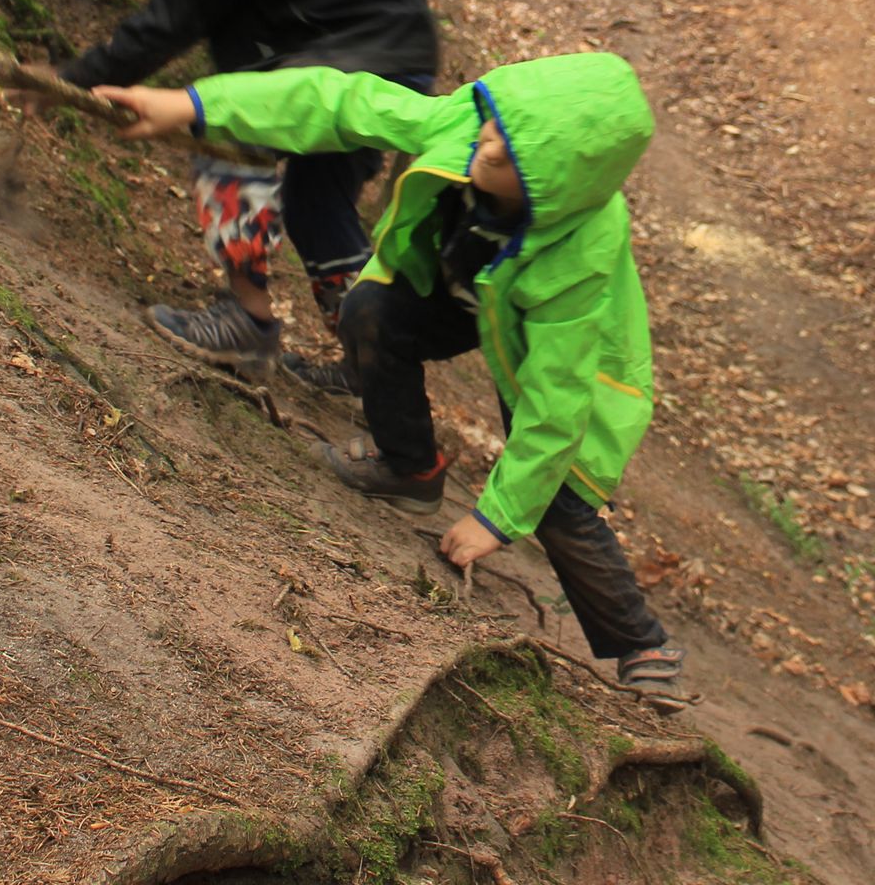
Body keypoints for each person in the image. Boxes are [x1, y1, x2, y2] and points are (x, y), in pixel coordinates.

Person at [95, 54, 688, 707]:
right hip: (468, 288)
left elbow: (556, 406)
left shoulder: (581, 255)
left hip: (553, 345)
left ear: (557, 178)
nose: (486, 138)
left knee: (558, 493)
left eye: (508, 144)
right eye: (492, 123)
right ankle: (410, 467)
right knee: (371, 311)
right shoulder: (463, 128)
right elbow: (332, 101)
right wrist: (191, 105)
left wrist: (495, 519)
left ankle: (643, 644)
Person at [52, 0, 437, 388]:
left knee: (226, 131)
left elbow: (169, 23)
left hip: (345, 66)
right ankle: (378, 362)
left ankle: (248, 320)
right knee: (317, 202)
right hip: (405, 65)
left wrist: (76, 79)